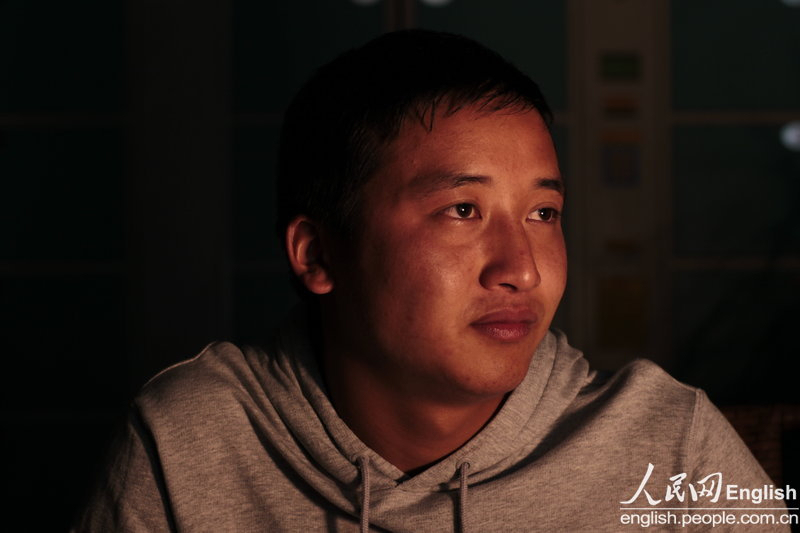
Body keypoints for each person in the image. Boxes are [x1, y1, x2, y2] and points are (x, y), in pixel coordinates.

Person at [76, 30, 791, 532]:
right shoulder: (191, 443)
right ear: (317, 255)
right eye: (461, 210)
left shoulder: (667, 444)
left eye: (544, 212)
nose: (522, 267)